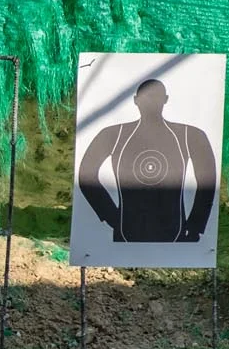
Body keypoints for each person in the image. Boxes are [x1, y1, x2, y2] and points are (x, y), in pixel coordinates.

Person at [77, 78, 217, 243]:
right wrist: (111, 216)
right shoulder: (114, 134)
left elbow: (207, 180)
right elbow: (86, 174)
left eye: (155, 97)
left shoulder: (189, 135)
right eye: (147, 97)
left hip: (172, 230)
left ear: (165, 99)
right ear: (136, 100)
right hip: (127, 231)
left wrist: (195, 225)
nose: (151, 102)